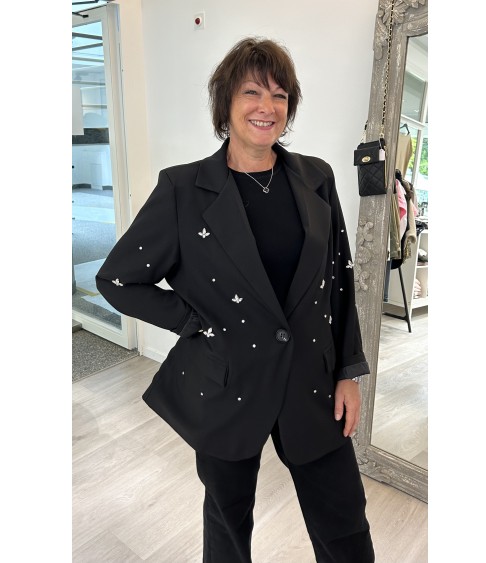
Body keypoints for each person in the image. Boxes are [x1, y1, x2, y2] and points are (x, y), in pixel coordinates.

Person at [96, 36, 375, 563]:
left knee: (344, 525)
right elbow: (117, 280)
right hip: (227, 384)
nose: (266, 107)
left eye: (279, 95)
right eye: (251, 92)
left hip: (312, 382)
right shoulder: (182, 190)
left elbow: (339, 279)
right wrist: (194, 322)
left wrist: (348, 372)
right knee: (227, 530)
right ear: (225, 102)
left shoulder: (316, 177)